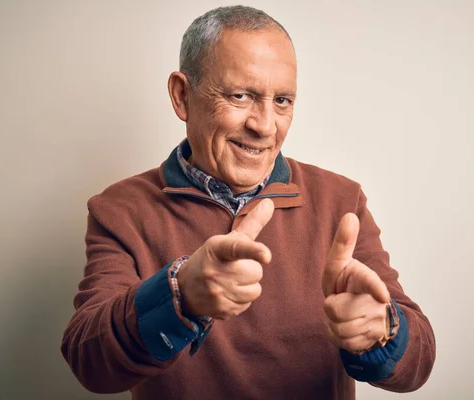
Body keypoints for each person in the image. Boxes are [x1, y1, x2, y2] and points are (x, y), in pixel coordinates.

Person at [61, 5, 436, 400]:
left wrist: (381, 332)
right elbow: (90, 363)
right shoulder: (120, 211)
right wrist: (179, 298)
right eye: (240, 96)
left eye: (283, 101)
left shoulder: (342, 201)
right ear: (182, 95)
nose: (264, 125)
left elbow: (417, 365)